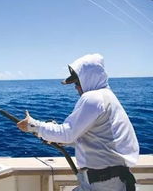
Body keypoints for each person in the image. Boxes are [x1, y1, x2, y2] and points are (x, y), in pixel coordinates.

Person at [17, 54, 139, 191]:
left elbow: (67, 133)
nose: (76, 87)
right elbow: (99, 139)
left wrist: (33, 125)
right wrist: (66, 141)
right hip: (108, 180)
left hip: (104, 183)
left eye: (77, 83)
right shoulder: (107, 97)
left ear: (89, 79)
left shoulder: (93, 98)